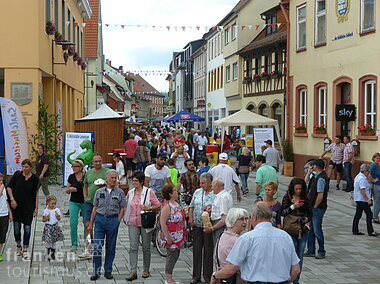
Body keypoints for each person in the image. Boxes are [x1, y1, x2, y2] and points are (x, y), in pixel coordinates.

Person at [210, 202, 300, 284]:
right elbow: (296, 270)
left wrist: (215, 275)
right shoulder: (285, 237)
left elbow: (231, 269)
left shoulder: (247, 238)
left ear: (255, 217)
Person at [88, 170, 127, 281]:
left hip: (112, 220)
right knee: (97, 246)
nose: (114, 180)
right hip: (100, 220)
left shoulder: (119, 192)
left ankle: (108, 270)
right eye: (112, 178)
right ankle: (96, 271)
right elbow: (95, 207)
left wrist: (117, 221)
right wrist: (91, 223)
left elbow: (123, 207)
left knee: (110, 247)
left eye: (115, 177)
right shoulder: (99, 191)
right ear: (107, 179)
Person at [124, 172, 161, 281]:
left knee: (146, 247)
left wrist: (148, 208)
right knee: (133, 247)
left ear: (141, 181)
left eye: (135, 181)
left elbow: (158, 205)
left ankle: (146, 269)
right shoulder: (130, 193)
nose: (133, 183)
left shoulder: (149, 192)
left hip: (145, 223)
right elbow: (126, 205)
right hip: (132, 222)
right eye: (133, 181)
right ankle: (133, 271)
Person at [7, 159, 39, 260]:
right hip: (16, 206)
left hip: (28, 206)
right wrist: (12, 199)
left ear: (31, 168)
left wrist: (36, 207)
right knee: (16, 228)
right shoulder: (17, 175)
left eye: (26, 167)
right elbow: (9, 187)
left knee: (27, 228)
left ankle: (25, 249)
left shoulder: (35, 179)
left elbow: (36, 194)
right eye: (23, 166)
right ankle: (18, 245)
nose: (24, 169)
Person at [281, 178, 312, 284]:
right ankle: (290, 278)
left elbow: (310, 212)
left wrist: (307, 219)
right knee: (291, 254)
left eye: (300, 189)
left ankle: (296, 280)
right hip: (290, 228)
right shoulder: (288, 197)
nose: (298, 191)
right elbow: (283, 212)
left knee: (300, 255)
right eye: (296, 189)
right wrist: (293, 206)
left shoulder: (306, 197)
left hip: (302, 229)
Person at [188, 173, 216, 284]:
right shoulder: (197, 192)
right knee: (197, 250)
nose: (201, 185)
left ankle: (208, 276)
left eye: (203, 183)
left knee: (208, 251)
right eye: (200, 182)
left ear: (210, 183)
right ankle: (196, 276)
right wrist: (190, 218)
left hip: (208, 225)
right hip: (197, 225)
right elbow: (191, 206)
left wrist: (211, 209)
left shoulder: (215, 194)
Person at [79, 155, 108, 259]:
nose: (98, 163)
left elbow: (113, 184)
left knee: (100, 226)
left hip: (102, 203)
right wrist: (85, 196)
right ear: (92, 162)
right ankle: (88, 249)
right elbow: (85, 185)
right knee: (88, 225)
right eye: (96, 161)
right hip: (89, 202)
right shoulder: (89, 172)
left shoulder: (107, 172)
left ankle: (98, 248)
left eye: (100, 161)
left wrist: (104, 184)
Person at [160, 184, 187, 284]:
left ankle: (170, 276)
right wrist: (167, 237)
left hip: (179, 235)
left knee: (175, 255)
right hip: (171, 235)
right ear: (170, 194)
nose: (177, 193)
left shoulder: (176, 203)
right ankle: (168, 278)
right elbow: (162, 222)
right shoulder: (167, 206)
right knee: (171, 256)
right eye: (175, 191)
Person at [214, 208, 249, 284]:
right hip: (234, 278)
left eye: (246, 218)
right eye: (241, 219)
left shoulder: (223, 234)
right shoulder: (235, 240)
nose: (245, 222)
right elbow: (238, 266)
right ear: (233, 220)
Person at [305, 159, 328, 259]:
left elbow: (320, 195)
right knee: (311, 229)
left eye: (312, 166)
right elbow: (305, 181)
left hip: (318, 208)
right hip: (312, 207)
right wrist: (309, 172)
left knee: (317, 230)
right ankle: (311, 250)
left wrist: (315, 206)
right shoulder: (315, 176)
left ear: (315, 166)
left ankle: (321, 250)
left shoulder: (321, 178)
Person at [352, 164, 379, 236]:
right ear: (365, 171)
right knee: (369, 214)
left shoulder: (358, 176)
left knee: (358, 214)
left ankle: (355, 230)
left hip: (358, 199)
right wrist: (368, 200)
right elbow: (362, 190)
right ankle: (370, 231)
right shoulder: (362, 178)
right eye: (368, 171)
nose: (369, 173)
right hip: (362, 199)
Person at [204, 178, 233, 246]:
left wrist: (212, 228)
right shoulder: (220, 196)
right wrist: (212, 208)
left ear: (217, 185)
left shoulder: (223, 197)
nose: (212, 188)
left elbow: (224, 219)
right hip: (217, 224)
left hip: (220, 226)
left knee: (218, 246)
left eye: (212, 186)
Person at [66, 159, 86, 252]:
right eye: (73, 166)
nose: (74, 168)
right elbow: (66, 190)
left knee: (87, 223)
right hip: (74, 201)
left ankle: (87, 242)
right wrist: (70, 189)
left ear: (81, 167)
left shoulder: (86, 176)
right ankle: (74, 243)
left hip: (85, 201)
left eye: (76, 166)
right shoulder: (71, 177)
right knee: (73, 223)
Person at [42, 195, 64, 260]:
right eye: (52, 203)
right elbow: (43, 220)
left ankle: (53, 252)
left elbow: (59, 218)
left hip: (55, 226)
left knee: (54, 241)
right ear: (48, 203)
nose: (53, 205)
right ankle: (48, 252)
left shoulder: (57, 210)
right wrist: (47, 218)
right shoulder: (45, 211)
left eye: (54, 203)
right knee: (48, 240)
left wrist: (57, 216)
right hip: (48, 227)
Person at [0, 174, 12, 262]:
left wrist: (10, 213)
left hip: (4, 214)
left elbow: (6, 201)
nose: (1, 182)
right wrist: (1, 187)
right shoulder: (2, 188)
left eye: (2, 181)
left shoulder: (4, 188)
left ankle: (0, 253)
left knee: (2, 235)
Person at [369, 153, 380, 223]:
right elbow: (368, 174)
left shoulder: (377, 165)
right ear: (373, 158)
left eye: (379, 158)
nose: (378, 160)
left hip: (378, 185)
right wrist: (373, 180)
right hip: (376, 185)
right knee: (377, 201)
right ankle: (375, 217)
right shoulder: (373, 165)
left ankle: (372, 215)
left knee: (377, 201)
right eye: (377, 158)